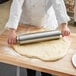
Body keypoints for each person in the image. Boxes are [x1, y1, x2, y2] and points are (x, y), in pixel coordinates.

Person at [5, 0, 70, 76]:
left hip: (46, 23)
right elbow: (16, 5)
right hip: (28, 22)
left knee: (47, 54)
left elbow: (58, 4)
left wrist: (64, 25)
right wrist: (12, 30)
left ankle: (46, 73)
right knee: (30, 57)